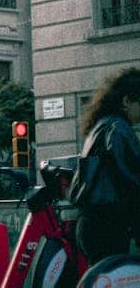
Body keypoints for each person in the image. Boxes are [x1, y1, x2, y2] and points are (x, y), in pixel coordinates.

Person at [73, 67, 140, 264]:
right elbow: (131, 180)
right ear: (127, 101)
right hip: (109, 224)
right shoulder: (118, 129)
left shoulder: (101, 126)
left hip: (91, 224)